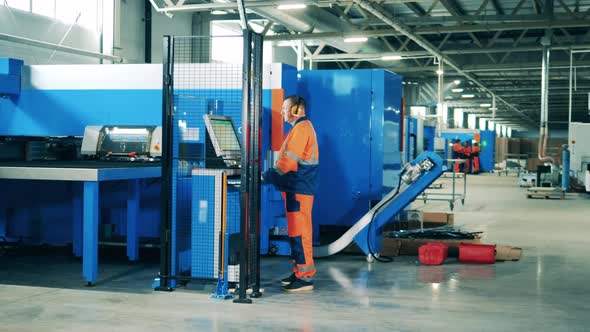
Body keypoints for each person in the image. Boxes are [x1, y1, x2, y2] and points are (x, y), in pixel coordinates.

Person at [262, 95, 319, 292]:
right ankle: (299, 272)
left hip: (299, 190)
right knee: (296, 232)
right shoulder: (299, 129)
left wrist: (266, 176)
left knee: (300, 234)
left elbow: (288, 163)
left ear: (296, 110)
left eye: (285, 108)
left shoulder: (301, 130)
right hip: (296, 189)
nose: (282, 112)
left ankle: (305, 278)